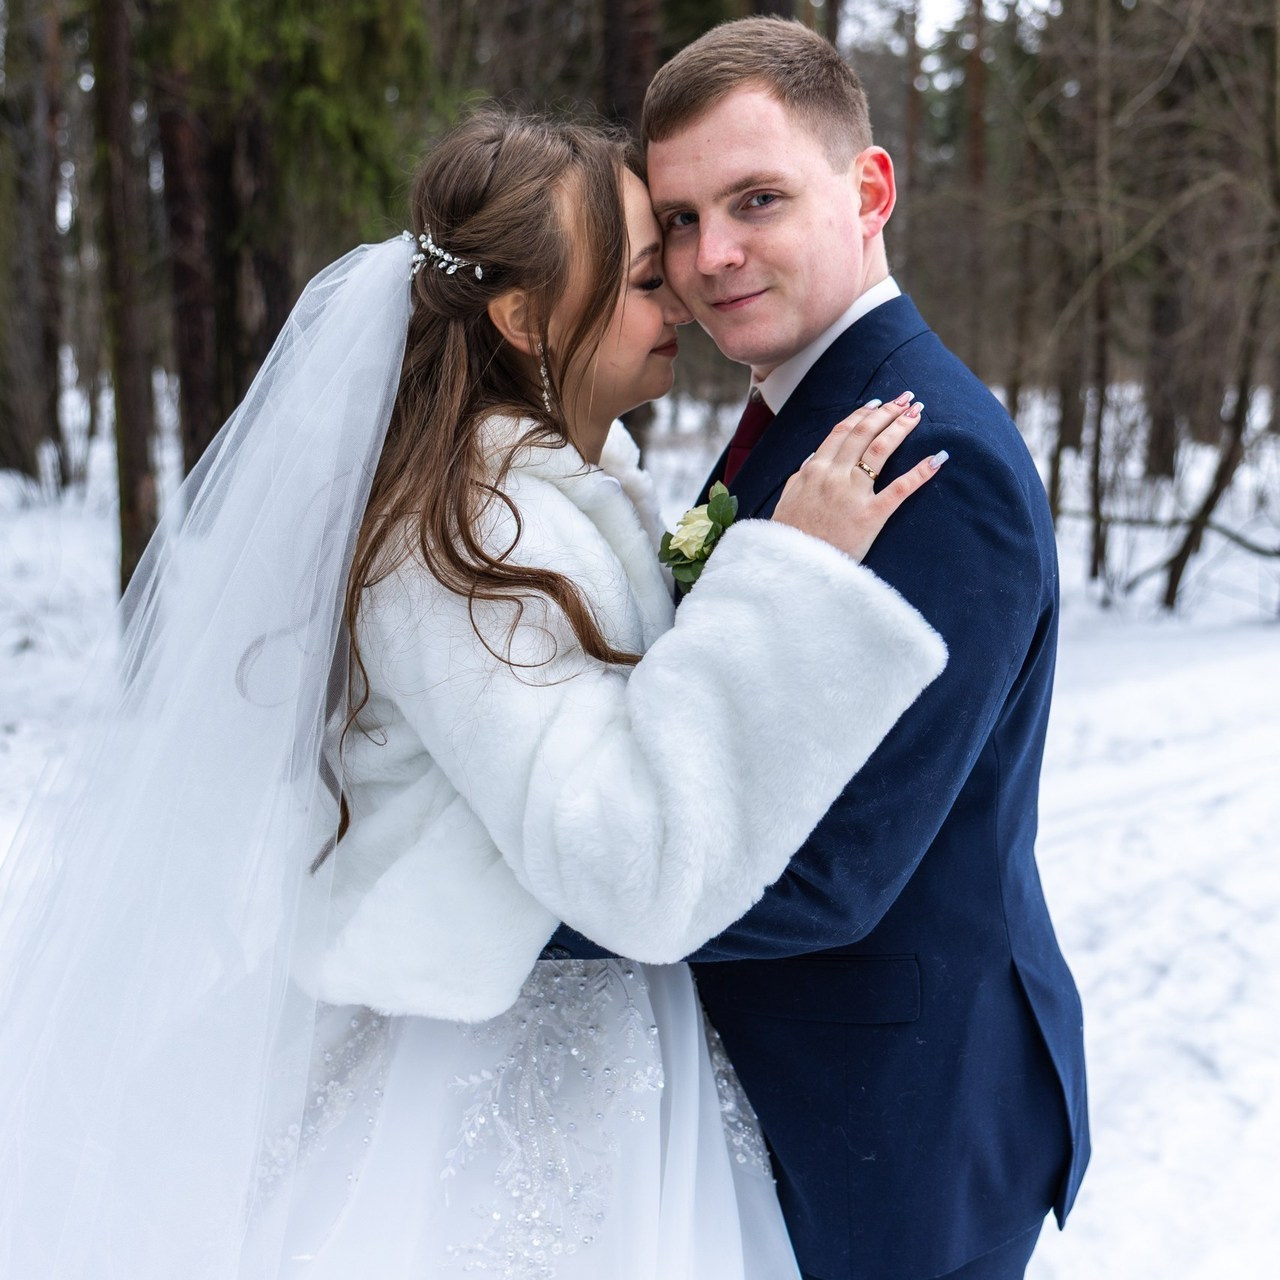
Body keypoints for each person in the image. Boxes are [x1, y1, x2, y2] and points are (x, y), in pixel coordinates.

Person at [0, 108, 947, 1278]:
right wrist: (787, 582)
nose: (684, 303)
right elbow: (630, 862)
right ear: (520, 315)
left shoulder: (560, 498)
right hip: (482, 1104)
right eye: (647, 278)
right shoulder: (462, 545)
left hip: (601, 1061)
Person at [548, 18, 1090, 1280]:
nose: (709, 256)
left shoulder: (920, 459)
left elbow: (832, 874)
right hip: (804, 1097)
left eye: (755, 200)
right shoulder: (803, 411)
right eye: (678, 220)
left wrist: (492, 909)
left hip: (885, 1121)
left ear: (869, 189)